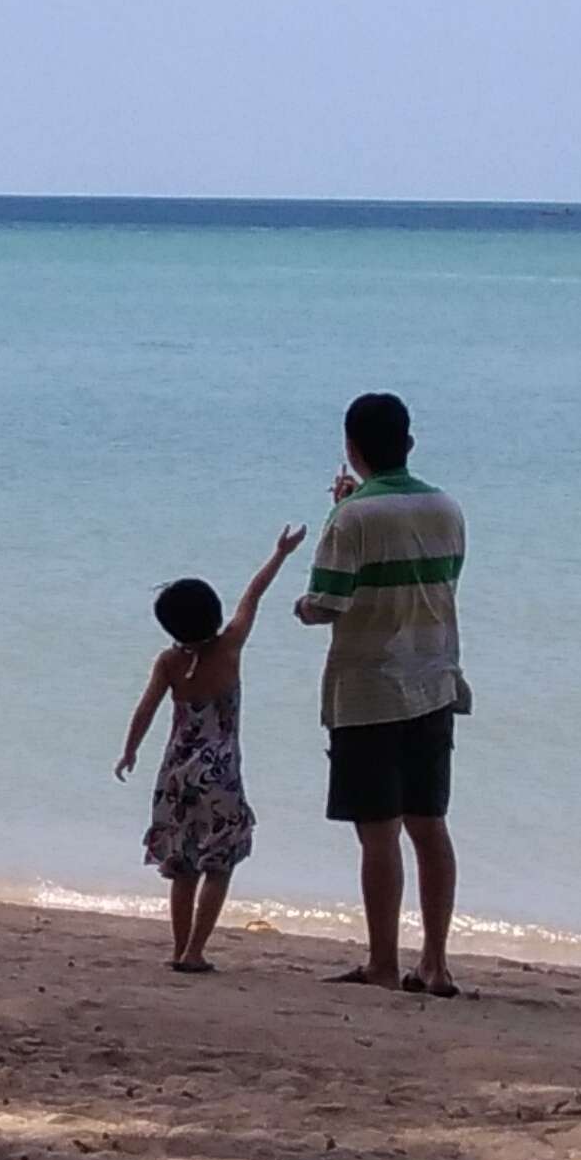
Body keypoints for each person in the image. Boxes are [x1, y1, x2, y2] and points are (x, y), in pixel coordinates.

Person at [293, 391, 469, 993]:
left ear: (351, 447)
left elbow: (327, 603)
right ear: (409, 445)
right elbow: (443, 577)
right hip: (435, 680)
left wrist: (302, 605)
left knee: (378, 831)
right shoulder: (447, 508)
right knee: (430, 825)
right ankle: (437, 962)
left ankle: (384, 961)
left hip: (369, 690)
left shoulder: (352, 519)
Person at [116, 524, 305, 972]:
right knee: (219, 864)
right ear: (214, 614)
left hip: (177, 772)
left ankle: (178, 948)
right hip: (219, 773)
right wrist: (280, 554)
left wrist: (129, 751)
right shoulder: (230, 647)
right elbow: (253, 596)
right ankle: (195, 950)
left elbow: (145, 710)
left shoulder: (169, 662)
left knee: (181, 866)